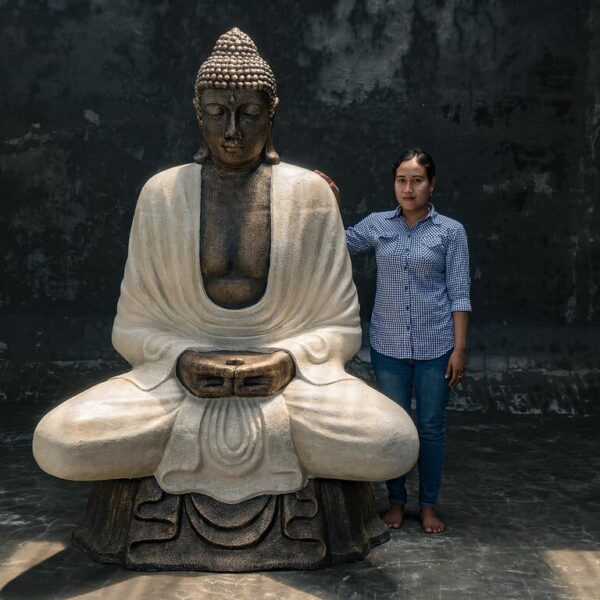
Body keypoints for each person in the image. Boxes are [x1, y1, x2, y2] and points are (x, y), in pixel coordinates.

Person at [32, 28, 419, 504]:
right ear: (199, 113)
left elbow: (339, 329)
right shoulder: (161, 194)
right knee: (60, 442)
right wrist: (181, 360)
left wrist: (287, 361)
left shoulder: (309, 195)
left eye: (249, 114)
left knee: (393, 441)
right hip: (178, 385)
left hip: (291, 388)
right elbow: (131, 329)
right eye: (217, 114)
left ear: (271, 113)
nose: (232, 132)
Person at [345, 149, 471, 533]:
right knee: (396, 426)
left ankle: (428, 505)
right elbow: (335, 244)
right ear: (394, 184)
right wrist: (326, 197)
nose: (408, 187)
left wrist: (460, 349)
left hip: (437, 344)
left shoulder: (450, 231)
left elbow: (459, 292)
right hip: (390, 345)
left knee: (431, 427)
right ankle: (396, 502)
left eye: (417, 180)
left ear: (431, 185)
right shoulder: (378, 224)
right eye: (402, 180)